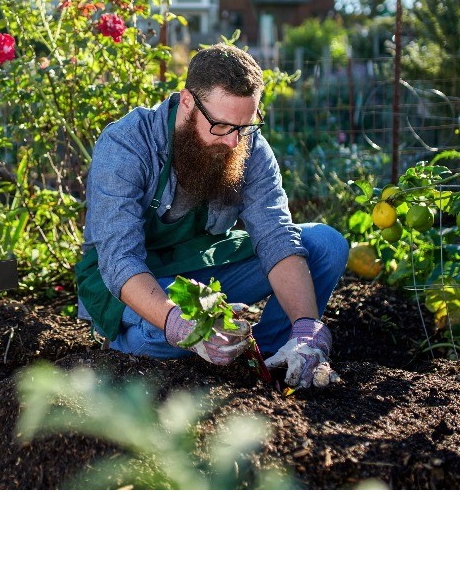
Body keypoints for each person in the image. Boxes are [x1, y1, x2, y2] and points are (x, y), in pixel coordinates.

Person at [74, 43, 349, 389]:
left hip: (202, 268)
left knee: (326, 245)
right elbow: (120, 260)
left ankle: (271, 359)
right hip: (133, 281)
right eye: (221, 126)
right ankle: (130, 347)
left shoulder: (248, 146)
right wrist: (178, 323)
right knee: (159, 335)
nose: (234, 142)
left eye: (245, 126)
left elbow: (276, 235)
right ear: (187, 101)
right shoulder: (127, 145)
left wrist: (307, 326)